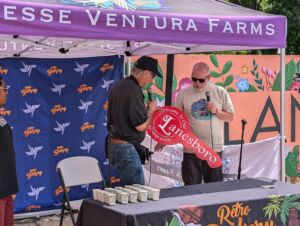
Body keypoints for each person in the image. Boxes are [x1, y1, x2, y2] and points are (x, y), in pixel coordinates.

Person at [171, 62, 234, 185]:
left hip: (213, 149)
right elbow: (176, 120)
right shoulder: (183, 94)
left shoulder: (220, 92)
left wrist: (216, 111)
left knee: (214, 189)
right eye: (194, 79)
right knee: (191, 189)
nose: (197, 83)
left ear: (209, 78)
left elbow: (230, 118)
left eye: (201, 80)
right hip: (191, 148)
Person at [107, 56, 161, 186]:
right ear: (145, 72)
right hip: (125, 148)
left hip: (117, 145)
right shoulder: (132, 90)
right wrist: (151, 110)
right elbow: (140, 126)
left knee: (128, 192)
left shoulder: (121, 85)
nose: (151, 80)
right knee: (136, 194)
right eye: (152, 76)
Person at [0, 77, 19, 226]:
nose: (6, 93)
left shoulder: (1, 118)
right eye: (4, 89)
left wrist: (11, 185)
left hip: (7, 185)